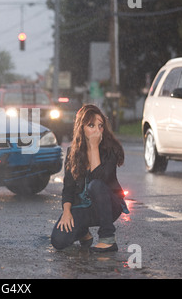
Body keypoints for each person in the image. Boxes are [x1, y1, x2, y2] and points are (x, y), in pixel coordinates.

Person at [51, 104, 129, 252]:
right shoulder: (72, 152)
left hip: (109, 206)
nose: (97, 130)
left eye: (100, 126)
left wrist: (94, 148)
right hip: (83, 207)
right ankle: (83, 232)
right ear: (82, 128)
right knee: (58, 241)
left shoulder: (109, 150)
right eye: (91, 125)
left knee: (95, 185)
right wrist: (67, 212)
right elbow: (68, 188)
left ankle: (108, 239)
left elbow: (99, 180)